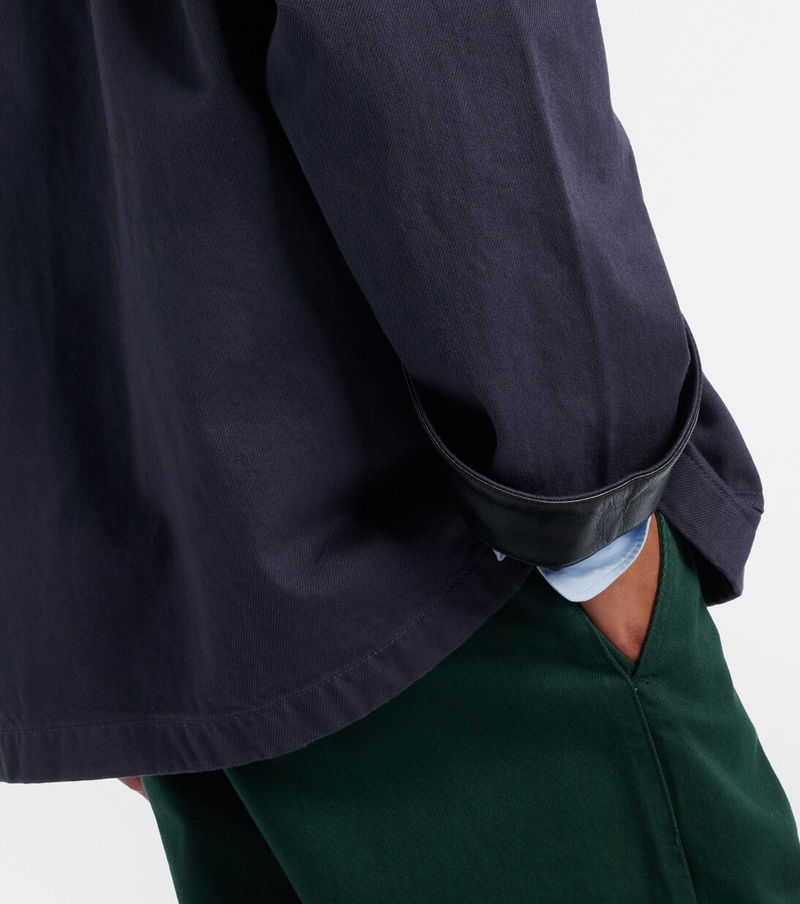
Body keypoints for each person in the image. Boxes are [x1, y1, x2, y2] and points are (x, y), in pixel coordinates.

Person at [1, 1, 798, 900]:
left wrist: (112, 622)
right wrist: (595, 520)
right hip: (458, 595)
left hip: (196, 615)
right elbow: (457, 63)